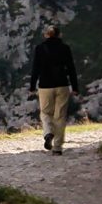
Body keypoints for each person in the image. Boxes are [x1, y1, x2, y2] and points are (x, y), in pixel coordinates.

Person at [30, 25, 80, 154]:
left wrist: (32, 86)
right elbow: (71, 68)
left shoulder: (40, 48)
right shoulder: (65, 48)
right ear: (59, 35)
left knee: (46, 113)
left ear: (46, 35)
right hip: (62, 85)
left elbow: (35, 68)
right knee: (60, 116)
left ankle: (48, 133)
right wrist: (74, 87)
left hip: (45, 86)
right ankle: (57, 147)